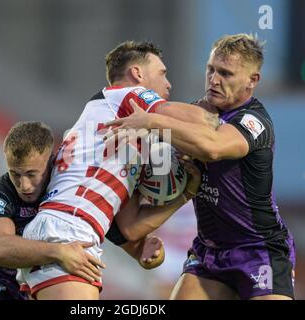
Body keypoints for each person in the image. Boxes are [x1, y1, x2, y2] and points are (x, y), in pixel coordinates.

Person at [105, 34, 296, 300]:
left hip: (258, 249)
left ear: (252, 81)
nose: (214, 80)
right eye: (211, 69)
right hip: (209, 252)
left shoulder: (254, 121)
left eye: (226, 73)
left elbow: (213, 147)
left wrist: (152, 122)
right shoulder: (195, 114)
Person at [17, 41, 202, 300]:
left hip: (63, 230)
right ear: (138, 74)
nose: (169, 83)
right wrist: (229, 124)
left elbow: (130, 229)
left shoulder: (112, 128)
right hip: (69, 232)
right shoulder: (126, 96)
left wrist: (185, 195)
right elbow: (198, 119)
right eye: (162, 73)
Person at [0, 121, 168, 300]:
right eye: (15, 174)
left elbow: (140, 251)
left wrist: (151, 254)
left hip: (43, 291)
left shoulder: (75, 191)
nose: (23, 185)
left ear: (51, 160)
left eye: (32, 174)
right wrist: (58, 252)